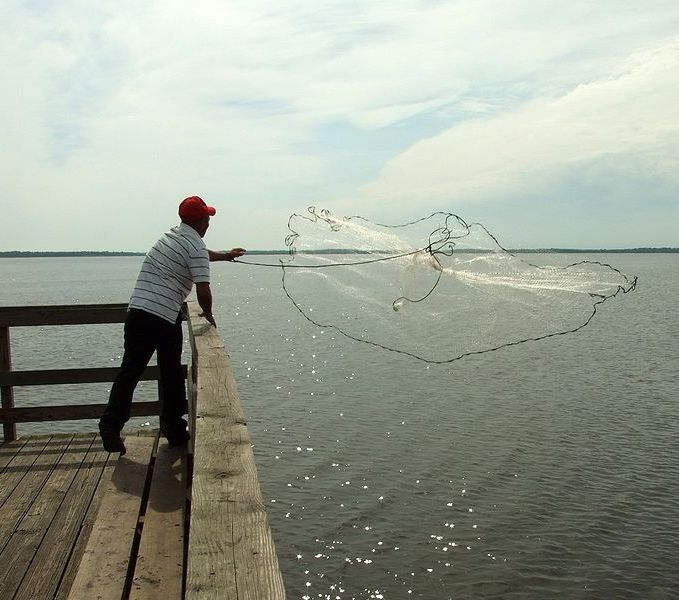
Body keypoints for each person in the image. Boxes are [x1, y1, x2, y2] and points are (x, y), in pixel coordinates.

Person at [99, 196, 246, 454]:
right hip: (164, 317)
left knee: (130, 372)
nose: (209, 222)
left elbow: (199, 257)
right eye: (208, 218)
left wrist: (225, 256)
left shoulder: (170, 237)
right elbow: (203, 289)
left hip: (137, 312)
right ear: (201, 221)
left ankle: (110, 425)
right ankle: (174, 430)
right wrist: (209, 315)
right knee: (171, 374)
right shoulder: (195, 246)